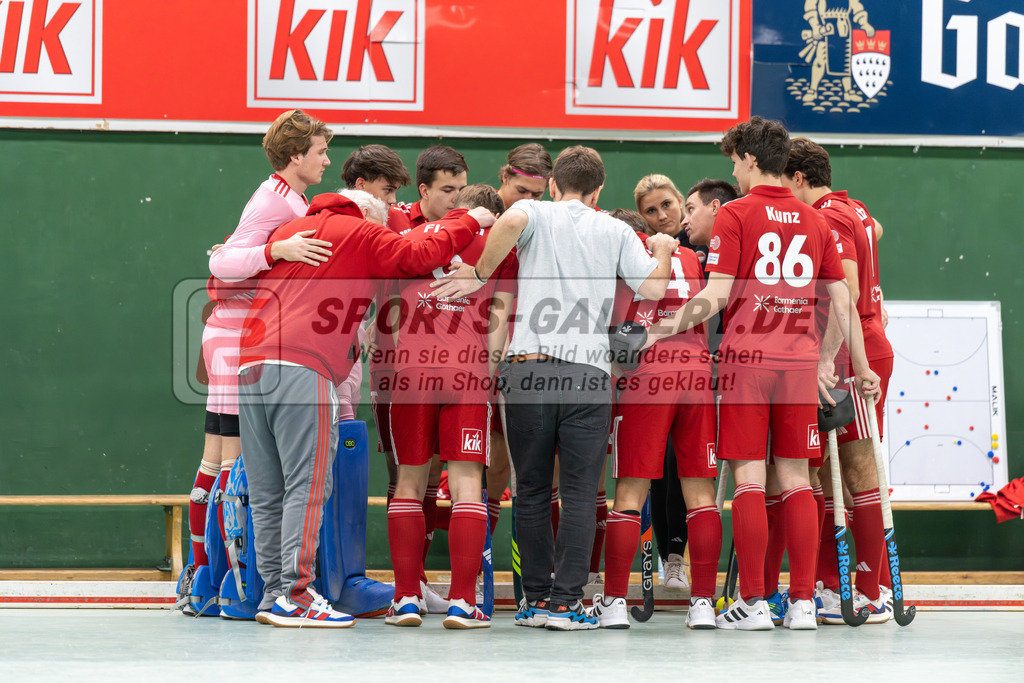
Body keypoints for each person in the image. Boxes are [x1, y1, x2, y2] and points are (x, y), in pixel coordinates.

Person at [645, 116, 880, 631]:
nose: (734, 169)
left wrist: (656, 330)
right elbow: (844, 299)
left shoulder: (734, 213)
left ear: (750, 160)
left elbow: (717, 295)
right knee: (797, 478)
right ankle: (800, 604)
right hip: (799, 362)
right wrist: (858, 367)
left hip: (747, 360)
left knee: (750, 478)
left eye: (734, 161)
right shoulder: (816, 219)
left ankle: (753, 600)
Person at [431, 145, 677, 630]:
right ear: (599, 189)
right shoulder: (617, 228)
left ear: (555, 182)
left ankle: (535, 601)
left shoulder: (532, 209)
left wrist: (480, 273)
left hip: (528, 370)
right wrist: (665, 252)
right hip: (587, 374)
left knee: (532, 492)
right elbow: (652, 289)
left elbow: (508, 223)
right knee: (582, 494)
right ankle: (566, 603)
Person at [238, 189, 488, 628]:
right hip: (303, 364)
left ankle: (274, 594)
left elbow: (226, 271)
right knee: (307, 486)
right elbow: (418, 252)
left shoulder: (291, 229)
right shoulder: (358, 230)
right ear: (368, 215)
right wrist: (470, 219)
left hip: (251, 363)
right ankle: (296, 596)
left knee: (266, 492)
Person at [182, 110, 334, 612]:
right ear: (296, 156)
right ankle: (221, 582)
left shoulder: (289, 197)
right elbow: (221, 263)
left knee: (225, 459)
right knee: (229, 463)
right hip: (233, 335)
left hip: (242, 335)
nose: (326, 159)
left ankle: (214, 580)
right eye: (319, 151)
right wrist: (276, 247)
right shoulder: (273, 199)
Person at [385, 185, 514, 629]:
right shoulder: (500, 243)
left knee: (408, 483)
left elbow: (392, 313)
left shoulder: (415, 235)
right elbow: (499, 318)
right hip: (466, 371)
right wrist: (491, 377)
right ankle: (461, 602)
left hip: (411, 371)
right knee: (465, 485)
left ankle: (404, 599)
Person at [782, 137, 894, 623]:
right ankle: (843, 585)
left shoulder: (826, 217)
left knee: (855, 471)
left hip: (849, 350)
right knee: (832, 473)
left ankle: (871, 589)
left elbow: (843, 292)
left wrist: (829, 358)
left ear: (799, 179)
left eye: (783, 181)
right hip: (861, 339)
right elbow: (877, 232)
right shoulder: (854, 208)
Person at [594, 223, 721, 630]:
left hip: (645, 375)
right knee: (700, 493)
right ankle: (702, 603)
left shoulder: (625, 255)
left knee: (630, 490)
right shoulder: (688, 257)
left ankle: (613, 602)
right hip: (697, 374)